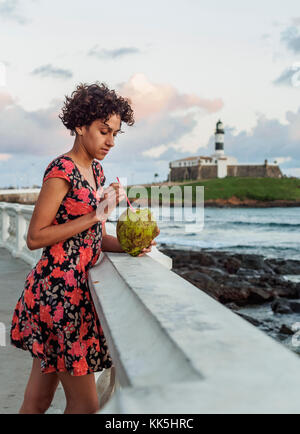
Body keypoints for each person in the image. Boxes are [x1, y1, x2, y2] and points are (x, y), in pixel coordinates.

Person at [10, 82, 159, 414]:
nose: (110, 141)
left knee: (37, 401)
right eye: (104, 131)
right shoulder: (61, 172)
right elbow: (35, 237)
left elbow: (90, 238)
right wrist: (96, 214)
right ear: (80, 126)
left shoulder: (95, 171)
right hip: (58, 297)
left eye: (115, 134)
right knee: (86, 405)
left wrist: (129, 246)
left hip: (74, 297)